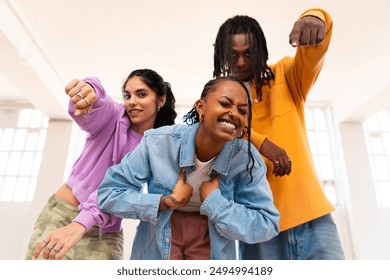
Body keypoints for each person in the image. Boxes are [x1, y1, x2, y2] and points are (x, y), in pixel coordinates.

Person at [97, 76, 280, 260]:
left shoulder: (247, 160)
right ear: (201, 107)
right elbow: (109, 194)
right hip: (160, 238)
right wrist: (166, 202)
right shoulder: (157, 142)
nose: (234, 113)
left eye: (242, 111)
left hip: (212, 238)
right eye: (225, 104)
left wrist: (216, 203)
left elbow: (267, 224)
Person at [213, 8, 345, 259]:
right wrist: (261, 143)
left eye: (249, 54)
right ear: (221, 55)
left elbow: (314, 51)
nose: (241, 62)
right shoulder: (217, 99)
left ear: (261, 51)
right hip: (257, 226)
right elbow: (215, 131)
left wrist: (315, 16)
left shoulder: (285, 76)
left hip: (312, 218)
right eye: (233, 55)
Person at [26, 69, 177, 260]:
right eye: (127, 95)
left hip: (106, 233)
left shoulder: (159, 147)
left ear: (161, 100)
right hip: (63, 217)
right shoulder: (113, 117)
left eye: (141, 94)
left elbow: (123, 191)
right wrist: (89, 89)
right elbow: (97, 105)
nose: (132, 101)